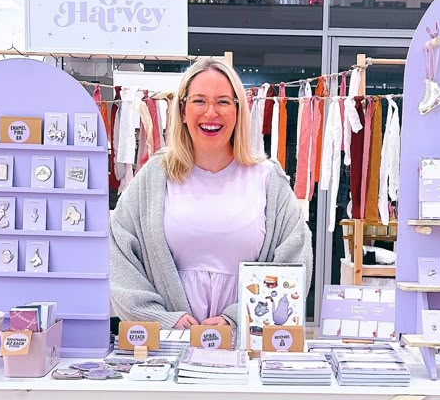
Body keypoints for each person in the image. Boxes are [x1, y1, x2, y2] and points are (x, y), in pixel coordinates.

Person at [109, 57, 313, 329]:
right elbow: (118, 252)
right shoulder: (154, 177)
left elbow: (295, 265)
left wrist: (238, 319)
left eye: (223, 102)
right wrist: (160, 319)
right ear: (182, 110)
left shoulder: (267, 179)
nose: (210, 113)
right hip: (170, 350)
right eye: (199, 101)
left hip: (246, 347)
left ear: (239, 111)